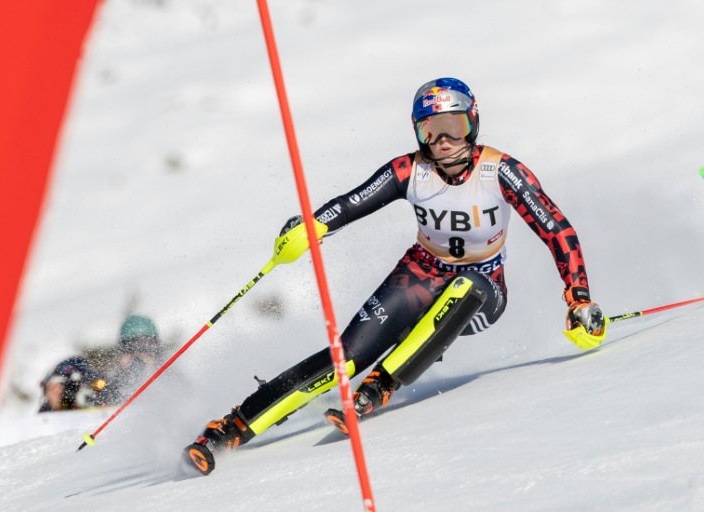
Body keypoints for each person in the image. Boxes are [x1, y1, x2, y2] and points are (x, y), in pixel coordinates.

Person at [182, 77, 605, 475]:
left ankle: (381, 386)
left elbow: (557, 229)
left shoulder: (500, 171)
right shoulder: (410, 170)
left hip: (484, 292)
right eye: (429, 132)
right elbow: (351, 204)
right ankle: (230, 429)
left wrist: (578, 297)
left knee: (466, 286)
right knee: (345, 357)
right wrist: (311, 228)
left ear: (472, 124)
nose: (441, 143)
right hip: (420, 274)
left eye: (452, 129)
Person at [38, 314, 163, 412]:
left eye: (145, 348)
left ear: (156, 351)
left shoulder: (172, 383)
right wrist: (60, 396)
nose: (138, 358)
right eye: (130, 349)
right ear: (121, 353)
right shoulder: (108, 387)